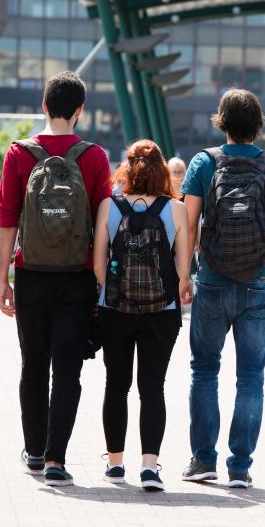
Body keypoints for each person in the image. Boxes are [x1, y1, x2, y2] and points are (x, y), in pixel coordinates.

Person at [0, 71, 111, 486]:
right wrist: (98, 278)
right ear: (80, 110)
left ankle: (34, 450)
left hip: (30, 274)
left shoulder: (18, 154)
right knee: (67, 370)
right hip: (76, 277)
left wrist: (2, 279)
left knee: (33, 365)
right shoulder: (94, 156)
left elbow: (7, 219)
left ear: (44, 106)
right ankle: (56, 461)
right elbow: (103, 223)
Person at [180, 88, 265, 489]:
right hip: (259, 281)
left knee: (204, 370)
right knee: (251, 377)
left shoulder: (203, 162)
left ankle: (203, 461)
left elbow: (188, 225)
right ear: (258, 122)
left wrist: (184, 275)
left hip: (211, 280)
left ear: (222, 120)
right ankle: (240, 466)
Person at [92, 140, 192, 491]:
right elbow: (182, 271)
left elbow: (98, 266)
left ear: (127, 167)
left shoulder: (109, 206)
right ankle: (150, 467)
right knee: (152, 388)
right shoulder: (176, 210)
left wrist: (108, 295)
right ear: (163, 169)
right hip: (161, 311)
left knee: (116, 386)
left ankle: (115, 464)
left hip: (115, 308)